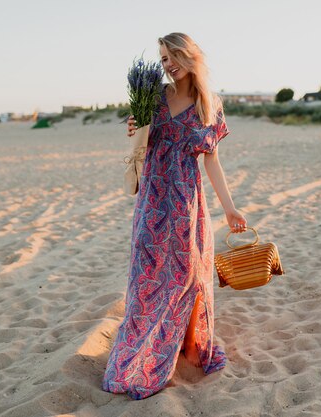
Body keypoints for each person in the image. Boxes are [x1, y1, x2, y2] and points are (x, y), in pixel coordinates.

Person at [102, 32, 247, 400]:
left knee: (189, 274)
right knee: (148, 275)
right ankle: (147, 348)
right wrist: (134, 131)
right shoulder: (154, 95)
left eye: (172, 56)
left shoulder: (210, 104)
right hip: (153, 198)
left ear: (190, 54)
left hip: (187, 200)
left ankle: (191, 347)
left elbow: (211, 159)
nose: (167, 64)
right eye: (163, 58)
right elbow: (140, 140)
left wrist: (229, 208)